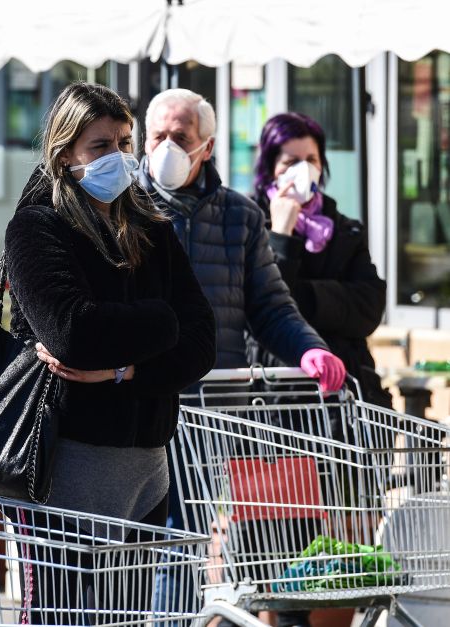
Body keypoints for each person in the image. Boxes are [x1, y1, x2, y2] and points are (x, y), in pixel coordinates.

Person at [133, 88, 347, 627]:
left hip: (212, 413)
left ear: (206, 146)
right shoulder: (122, 210)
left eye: (179, 138)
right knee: (149, 549)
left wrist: (311, 350)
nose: (164, 148)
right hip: (137, 405)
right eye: (156, 136)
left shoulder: (240, 218)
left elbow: (271, 307)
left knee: (190, 542)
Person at [5, 81, 216, 624]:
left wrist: (124, 370)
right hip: (71, 460)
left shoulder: (146, 224)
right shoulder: (37, 226)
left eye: (126, 142)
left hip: (148, 461)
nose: (120, 157)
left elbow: (201, 343)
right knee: (70, 616)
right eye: (102, 146)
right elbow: (73, 333)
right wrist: (162, 320)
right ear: (65, 153)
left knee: (128, 618)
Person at [251, 112, 391, 408]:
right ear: (271, 168)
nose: (303, 170)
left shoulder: (345, 229)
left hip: (345, 396)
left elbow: (369, 307)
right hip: (276, 397)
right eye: (290, 162)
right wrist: (281, 234)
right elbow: (265, 306)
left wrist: (305, 298)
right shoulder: (248, 222)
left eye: (311, 160)